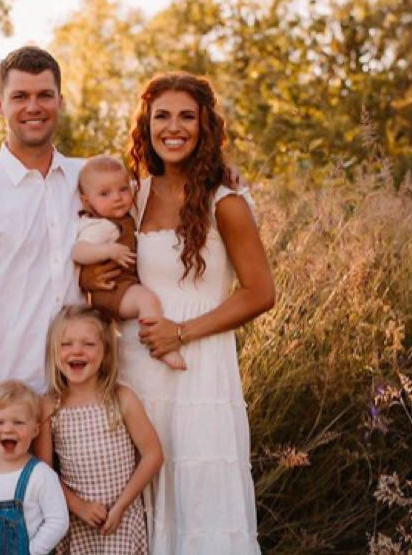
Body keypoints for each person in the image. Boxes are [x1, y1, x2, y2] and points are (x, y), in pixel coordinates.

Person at [0, 46, 117, 486]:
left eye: (44, 94)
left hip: (84, 403)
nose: (33, 107)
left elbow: (154, 199)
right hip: (11, 413)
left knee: (91, 537)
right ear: (0, 104)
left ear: (60, 100)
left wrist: (222, 179)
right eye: (20, 96)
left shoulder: (87, 181)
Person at [115, 72, 276, 554]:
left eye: (187, 116)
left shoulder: (225, 203)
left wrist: (181, 332)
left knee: (200, 502)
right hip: (138, 372)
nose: (174, 127)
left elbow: (260, 292)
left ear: (206, 126)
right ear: (146, 125)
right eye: (162, 116)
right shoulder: (133, 197)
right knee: (143, 505)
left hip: (200, 373)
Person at [36, 305, 164, 555]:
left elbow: (153, 455)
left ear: (105, 353)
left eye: (88, 344)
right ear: (54, 352)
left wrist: (120, 507)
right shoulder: (50, 406)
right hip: (78, 522)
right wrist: (79, 507)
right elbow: (44, 473)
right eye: (66, 344)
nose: (76, 351)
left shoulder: (121, 399)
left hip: (122, 520)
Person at [73, 155, 186, 371]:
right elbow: (78, 251)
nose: (117, 198)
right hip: (112, 289)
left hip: (122, 288)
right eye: (105, 194)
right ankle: (161, 345)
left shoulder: (125, 213)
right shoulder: (100, 226)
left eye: (122, 190)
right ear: (86, 201)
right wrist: (108, 250)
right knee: (147, 299)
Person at [0, 381, 69, 555]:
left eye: (18, 422)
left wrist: (32, 551)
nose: (8, 429)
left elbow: (58, 520)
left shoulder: (40, 475)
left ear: (35, 430)